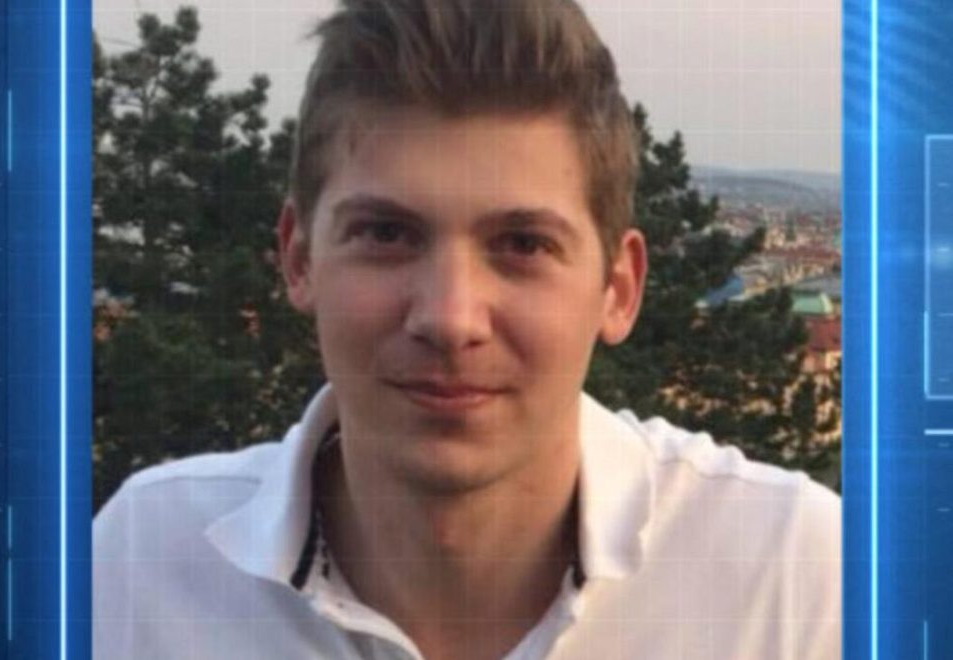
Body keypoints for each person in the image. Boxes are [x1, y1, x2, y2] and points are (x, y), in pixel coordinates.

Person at [93, 0, 841, 658]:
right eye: (386, 234)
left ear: (618, 288)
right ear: (298, 258)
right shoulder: (138, 566)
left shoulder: (798, 583)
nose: (450, 319)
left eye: (522, 245)